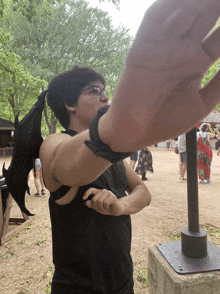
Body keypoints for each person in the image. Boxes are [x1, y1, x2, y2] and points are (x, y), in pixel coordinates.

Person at [39, 67, 151, 294]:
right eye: (94, 90)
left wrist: (120, 205)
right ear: (70, 104)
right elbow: (68, 169)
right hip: (77, 288)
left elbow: (142, 190)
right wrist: (115, 126)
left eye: (104, 90)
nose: (105, 96)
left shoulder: (112, 155)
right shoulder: (53, 142)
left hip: (124, 281)